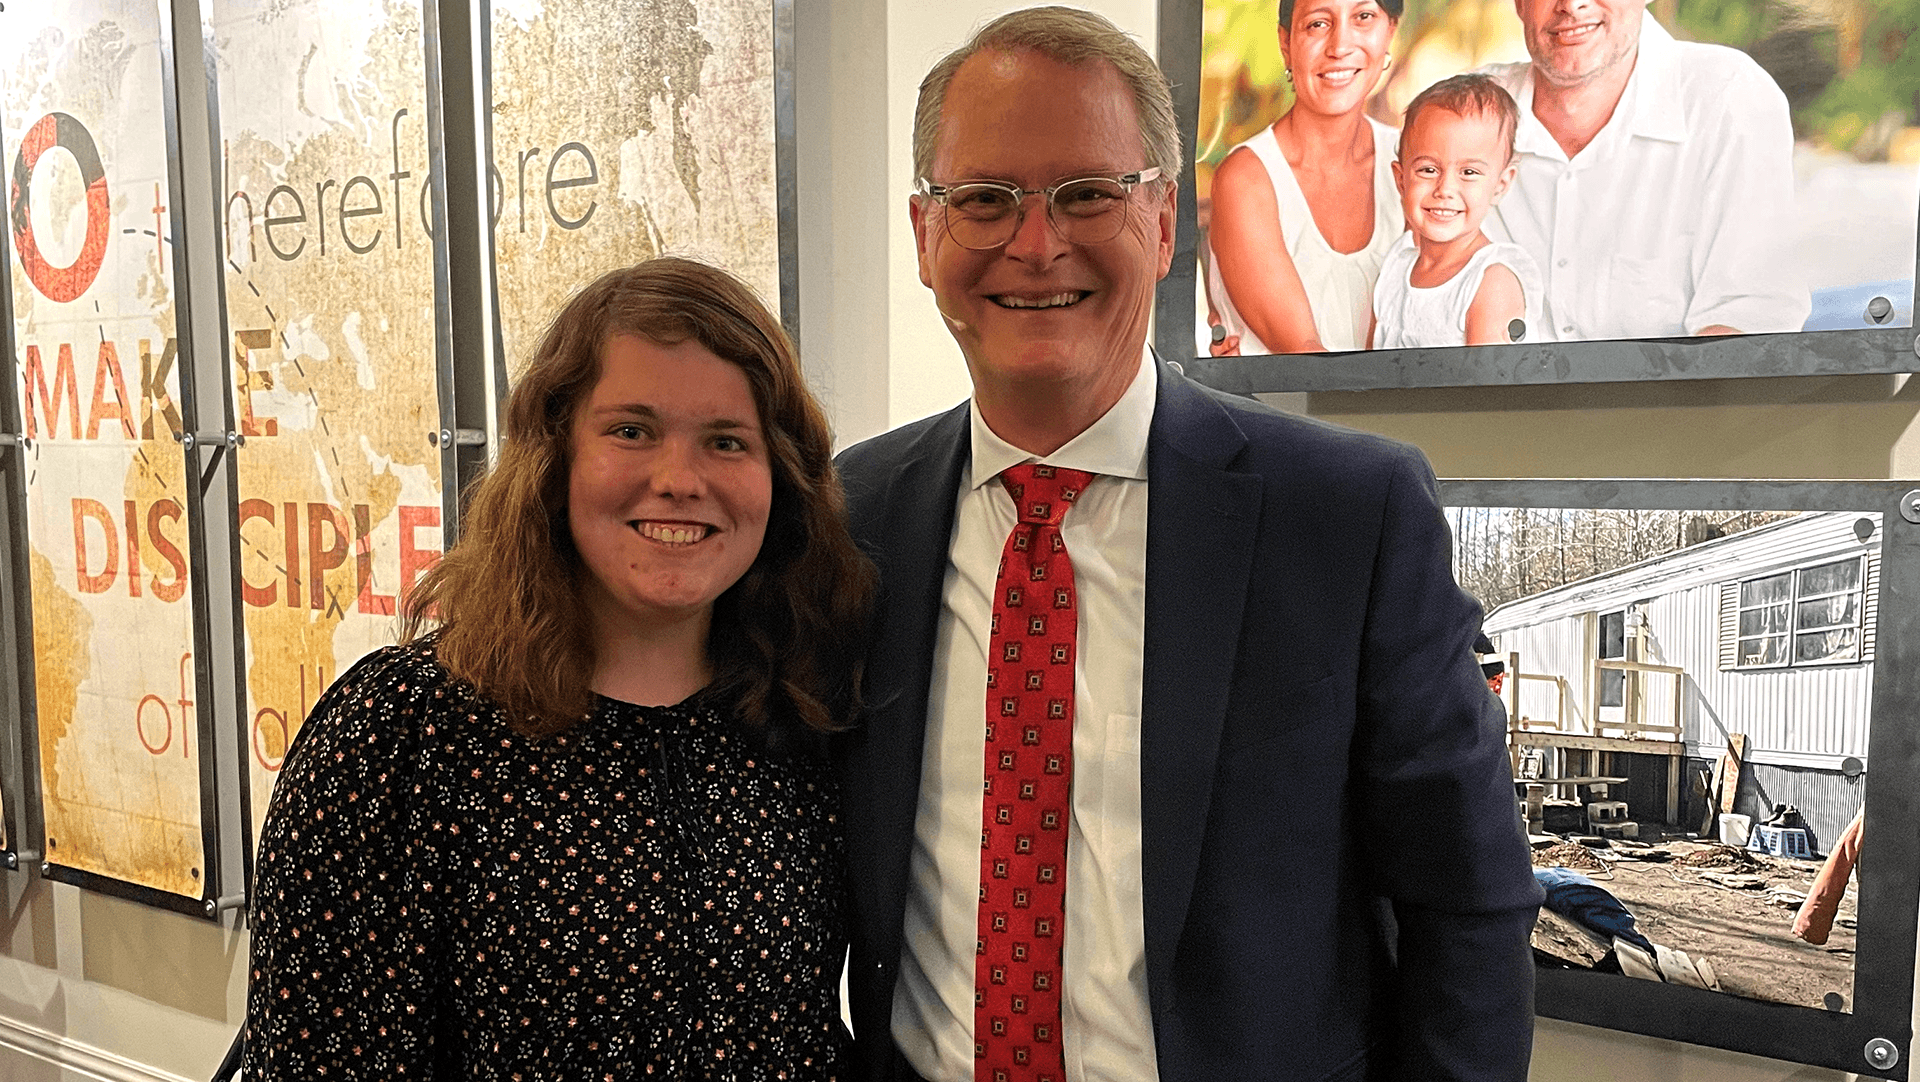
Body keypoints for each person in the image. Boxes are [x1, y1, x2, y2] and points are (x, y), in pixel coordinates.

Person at [834, 8, 1543, 1082]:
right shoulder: (849, 519)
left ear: (1165, 221)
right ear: (927, 234)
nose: (1037, 242)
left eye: (1088, 194)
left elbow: (1469, 902)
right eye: (984, 200)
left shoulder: (1348, 518)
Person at [242, 257, 876, 1080]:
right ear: (554, 458)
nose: (679, 480)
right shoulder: (400, 737)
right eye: (631, 430)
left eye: (726, 441)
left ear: (779, 479)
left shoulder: (805, 719)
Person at [1484, 0, 1809, 340]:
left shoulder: (1726, 97)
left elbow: (1749, 316)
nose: (1571, 5)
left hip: (1688, 393)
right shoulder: (1453, 121)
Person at [1204, 0, 1405, 354]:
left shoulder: (1414, 165)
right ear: (1286, 43)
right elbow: (1304, 358)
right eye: (1317, 24)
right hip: (1287, 409)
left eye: (1363, 17)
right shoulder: (1247, 179)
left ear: (1390, 31)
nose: (1340, 46)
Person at [1372, 74, 1544, 348]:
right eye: (1428, 170)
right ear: (1401, 179)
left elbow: (1489, 387)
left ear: (1501, 184)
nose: (1445, 189)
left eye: (1469, 172)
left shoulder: (1491, 282)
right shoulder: (1396, 266)